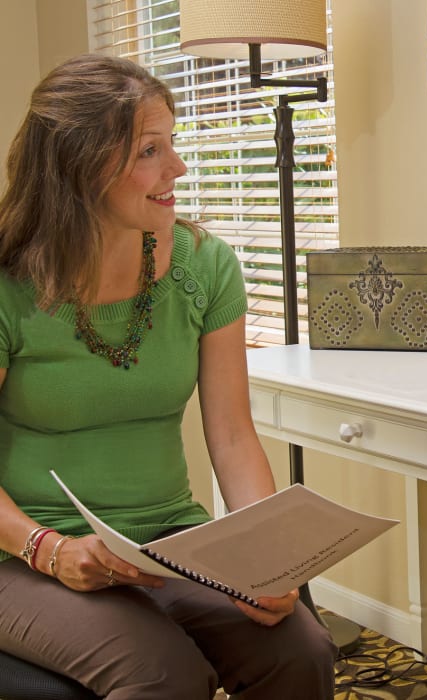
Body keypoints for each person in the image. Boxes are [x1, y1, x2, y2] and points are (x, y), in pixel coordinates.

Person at [0, 54, 336, 699]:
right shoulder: (8, 284)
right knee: (162, 676)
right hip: (24, 551)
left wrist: (266, 555)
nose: (177, 169)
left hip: (168, 538)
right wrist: (47, 549)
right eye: (150, 150)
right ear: (79, 165)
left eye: (172, 144)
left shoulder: (204, 265)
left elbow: (234, 436)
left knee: (300, 650)